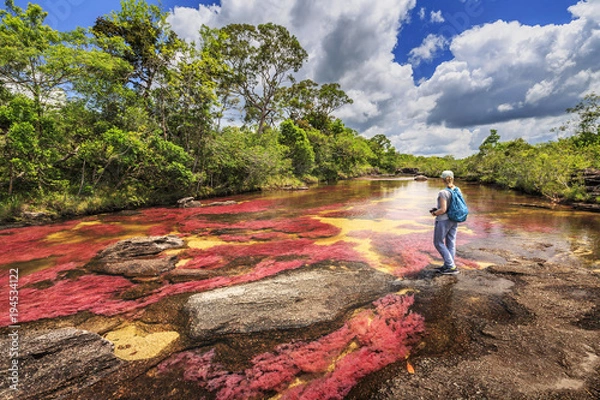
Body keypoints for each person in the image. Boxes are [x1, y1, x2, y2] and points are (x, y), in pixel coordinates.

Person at [430, 170, 459, 275]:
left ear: (443, 179)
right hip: (454, 219)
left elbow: (443, 210)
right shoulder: (457, 190)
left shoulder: (443, 192)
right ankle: (449, 265)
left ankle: (451, 266)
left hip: (444, 220)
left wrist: (434, 213)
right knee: (451, 242)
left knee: (438, 242)